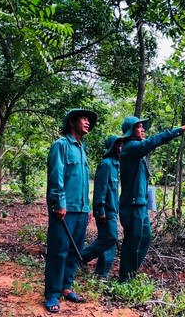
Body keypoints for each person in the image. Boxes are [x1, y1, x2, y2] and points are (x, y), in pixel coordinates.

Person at [118, 116, 185, 282]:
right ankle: (125, 278)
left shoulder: (137, 153)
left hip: (140, 205)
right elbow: (155, 141)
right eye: (139, 127)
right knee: (132, 242)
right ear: (130, 131)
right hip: (131, 205)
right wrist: (181, 129)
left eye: (143, 127)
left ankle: (130, 273)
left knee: (145, 238)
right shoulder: (130, 147)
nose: (143, 130)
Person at [43, 108, 97, 313]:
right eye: (83, 118)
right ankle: (52, 294)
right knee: (59, 251)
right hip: (65, 209)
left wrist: (88, 207)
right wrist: (59, 203)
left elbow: (83, 182)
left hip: (81, 210)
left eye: (88, 120)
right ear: (72, 122)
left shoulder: (82, 149)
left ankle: (66, 287)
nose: (87, 122)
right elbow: (56, 176)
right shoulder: (61, 145)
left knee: (75, 252)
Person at [80, 135, 123, 278]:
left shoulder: (115, 165)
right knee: (110, 238)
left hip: (112, 210)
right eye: (118, 145)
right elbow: (100, 189)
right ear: (112, 148)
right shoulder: (106, 164)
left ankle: (101, 273)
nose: (121, 148)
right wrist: (100, 210)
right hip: (105, 210)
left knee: (109, 241)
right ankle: (81, 257)